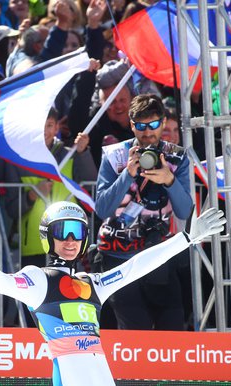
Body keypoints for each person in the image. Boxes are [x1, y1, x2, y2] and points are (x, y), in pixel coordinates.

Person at [0, 201, 225, 386]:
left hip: (101, 374)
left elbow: (136, 266)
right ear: (47, 236)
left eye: (77, 232)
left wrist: (186, 238)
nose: (70, 240)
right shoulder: (38, 279)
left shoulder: (93, 283)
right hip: (72, 375)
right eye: (61, 232)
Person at [94, 94, 193, 331]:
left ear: (162, 122)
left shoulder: (177, 156)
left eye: (154, 125)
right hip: (119, 258)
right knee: (133, 334)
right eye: (141, 126)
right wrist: (127, 174)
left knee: (172, 332)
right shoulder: (115, 155)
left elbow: (185, 210)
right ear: (132, 125)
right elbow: (102, 209)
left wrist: (169, 181)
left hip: (159, 255)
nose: (148, 132)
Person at [5, 108, 97, 267]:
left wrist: (82, 152)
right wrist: (32, 195)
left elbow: (91, 181)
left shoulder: (70, 155)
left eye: (49, 125)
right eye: (39, 125)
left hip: (69, 242)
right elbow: (12, 209)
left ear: (56, 128)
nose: (44, 131)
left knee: (68, 291)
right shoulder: (17, 160)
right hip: (33, 246)